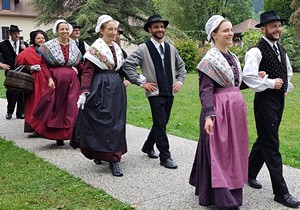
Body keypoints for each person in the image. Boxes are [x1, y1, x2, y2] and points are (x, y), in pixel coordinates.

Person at [189, 15, 249, 210]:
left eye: (231, 29)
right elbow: (205, 90)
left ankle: (210, 187)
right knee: (220, 153)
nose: (230, 33)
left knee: (233, 151)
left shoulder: (232, 57)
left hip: (235, 111)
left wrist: (257, 78)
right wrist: (209, 115)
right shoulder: (210, 60)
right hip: (219, 111)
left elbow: (234, 85)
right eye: (225, 30)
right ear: (214, 35)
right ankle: (224, 199)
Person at [243, 10, 300, 208]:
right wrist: (270, 83)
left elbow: (288, 72)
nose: (278, 29)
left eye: (279, 26)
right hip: (265, 101)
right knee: (271, 145)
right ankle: (281, 193)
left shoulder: (281, 50)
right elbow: (248, 77)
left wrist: (285, 86)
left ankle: (248, 173)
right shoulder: (255, 51)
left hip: (278, 100)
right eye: (273, 26)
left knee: (265, 138)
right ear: (264, 28)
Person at [122, 14, 187, 169]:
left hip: (169, 92)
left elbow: (182, 67)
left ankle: (148, 145)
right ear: (150, 29)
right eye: (156, 27)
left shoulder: (171, 49)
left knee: (162, 122)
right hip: (155, 93)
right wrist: (141, 82)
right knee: (160, 124)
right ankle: (165, 157)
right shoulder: (143, 49)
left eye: (162, 27)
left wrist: (179, 81)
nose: (160, 29)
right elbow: (127, 66)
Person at [70, 15, 127, 177]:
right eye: (110, 29)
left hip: (116, 89)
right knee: (101, 121)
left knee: (117, 122)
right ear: (101, 30)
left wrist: (131, 79)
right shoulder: (95, 49)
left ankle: (114, 158)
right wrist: (84, 92)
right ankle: (101, 153)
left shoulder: (117, 48)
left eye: (115, 29)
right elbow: (87, 72)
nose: (113, 32)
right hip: (100, 88)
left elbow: (124, 67)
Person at [30, 19, 83, 145]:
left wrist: (80, 68)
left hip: (72, 81)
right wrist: (49, 78)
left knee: (72, 107)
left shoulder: (74, 45)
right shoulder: (49, 46)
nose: (65, 31)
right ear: (57, 31)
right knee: (57, 109)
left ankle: (73, 136)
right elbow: (43, 64)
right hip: (56, 80)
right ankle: (58, 136)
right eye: (62, 29)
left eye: (66, 29)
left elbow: (79, 63)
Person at [15, 30, 48, 133]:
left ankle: (46, 127)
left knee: (47, 103)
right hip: (34, 81)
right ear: (34, 39)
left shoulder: (49, 50)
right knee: (34, 103)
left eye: (42, 38)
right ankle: (34, 127)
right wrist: (30, 68)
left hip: (48, 80)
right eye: (38, 38)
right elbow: (18, 65)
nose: (41, 40)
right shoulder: (27, 51)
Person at [0, 25, 28, 120]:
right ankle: (9, 112)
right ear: (10, 34)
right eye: (15, 33)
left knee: (22, 91)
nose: (17, 35)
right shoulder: (3, 44)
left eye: (18, 33)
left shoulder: (23, 44)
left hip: (22, 71)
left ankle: (20, 113)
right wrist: (1, 65)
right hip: (10, 71)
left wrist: (25, 50)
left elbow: (30, 56)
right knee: (11, 91)